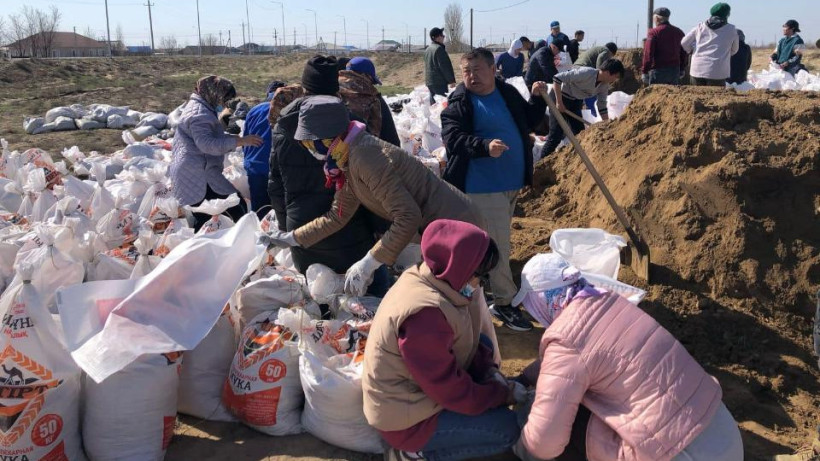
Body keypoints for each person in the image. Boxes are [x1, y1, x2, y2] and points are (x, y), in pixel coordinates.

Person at [511, 253, 745, 461]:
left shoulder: (566, 338)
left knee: (557, 424)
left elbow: (544, 442)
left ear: (542, 300)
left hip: (685, 454)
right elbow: (567, 365)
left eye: (530, 306)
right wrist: (525, 377)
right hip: (725, 438)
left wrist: (518, 450)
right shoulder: (609, 302)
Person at [262, 96, 489, 300]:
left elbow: (408, 216)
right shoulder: (347, 158)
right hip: (437, 230)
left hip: (457, 229)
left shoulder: (365, 158)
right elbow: (337, 215)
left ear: (327, 137)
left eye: (310, 143)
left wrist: (368, 263)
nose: (309, 149)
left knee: (454, 300)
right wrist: (291, 238)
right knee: (446, 296)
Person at [363, 219, 526, 461]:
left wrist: (489, 372)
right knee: (508, 429)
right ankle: (410, 453)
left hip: (420, 392)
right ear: (459, 267)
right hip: (407, 420)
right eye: (478, 275)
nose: (479, 283)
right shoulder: (424, 316)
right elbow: (450, 391)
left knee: (486, 347)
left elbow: (471, 338)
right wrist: (501, 394)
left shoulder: (435, 278)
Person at [441, 48, 548, 332]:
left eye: (477, 69)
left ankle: (482, 286)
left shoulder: (505, 92)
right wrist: (483, 146)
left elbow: (531, 120)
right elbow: (452, 138)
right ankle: (504, 302)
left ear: (492, 69)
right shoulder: (461, 101)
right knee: (499, 245)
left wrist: (537, 99)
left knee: (496, 241)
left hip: (510, 185)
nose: (471, 76)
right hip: (482, 187)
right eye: (466, 71)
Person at [267, 56, 389, 297]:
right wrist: (380, 227)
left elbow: (276, 185)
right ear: (337, 87)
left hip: (302, 230)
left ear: (304, 88)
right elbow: (371, 181)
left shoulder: (282, 124)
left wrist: (287, 230)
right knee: (368, 299)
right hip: (351, 228)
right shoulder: (350, 122)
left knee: (318, 303)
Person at [169, 75, 262, 229]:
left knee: (212, 213)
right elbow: (206, 144)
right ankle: (229, 243)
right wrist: (240, 141)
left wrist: (232, 138)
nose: (223, 103)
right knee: (232, 207)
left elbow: (207, 137)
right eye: (224, 98)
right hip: (198, 174)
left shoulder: (201, 107)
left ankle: (217, 244)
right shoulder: (199, 114)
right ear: (215, 93)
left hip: (196, 170)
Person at [540, 59, 623, 159]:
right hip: (559, 96)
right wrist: (559, 102)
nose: (614, 80)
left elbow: (602, 105)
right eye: (615, 76)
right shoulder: (586, 73)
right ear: (608, 72)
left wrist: (607, 124)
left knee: (580, 134)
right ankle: (542, 164)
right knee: (556, 135)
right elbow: (557, 79)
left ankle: (575, 160)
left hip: (575, 101)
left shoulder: (604, 85)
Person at [242, 80, 287, 215]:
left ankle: (259, 234)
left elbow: (245, 139)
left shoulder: (254, 110)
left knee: (260, 209)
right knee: (280, 210)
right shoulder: (287, 109)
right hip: (277, 167)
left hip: (255, 166)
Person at [340, 57, 401, 146]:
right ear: (367, 76)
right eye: (373, 82)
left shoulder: (331, 91)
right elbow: (390, 136)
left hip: (333, 153)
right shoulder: (373, 98)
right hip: (364, 153)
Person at [681, 3, 739, 86]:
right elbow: (734, 50)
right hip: (718, 71)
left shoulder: (700, 27)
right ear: (727, 14)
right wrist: (724, 53)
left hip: (697, 69)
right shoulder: (731, 29)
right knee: (716, 97)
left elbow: (684, 43)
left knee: (697, 96)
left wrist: (691, 51)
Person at [641, 7, 687, 85]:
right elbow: (683, 52)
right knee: (672, 95)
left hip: (658, 71)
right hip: (674, 71)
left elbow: (648, 54)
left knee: (657, 96)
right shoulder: (679, 32)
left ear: (657, 18)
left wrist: (644, 71)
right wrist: (682, 68)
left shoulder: (653, 33)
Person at [424, 27, 456, 104]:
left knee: (434, 105)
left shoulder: (428, 49)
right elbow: (444, 67)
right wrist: (451, 80)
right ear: (436, 37)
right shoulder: (439, 49)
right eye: (442, 35)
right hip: (439, 83)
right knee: (441, 105)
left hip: (430, 81)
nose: (444, 37)